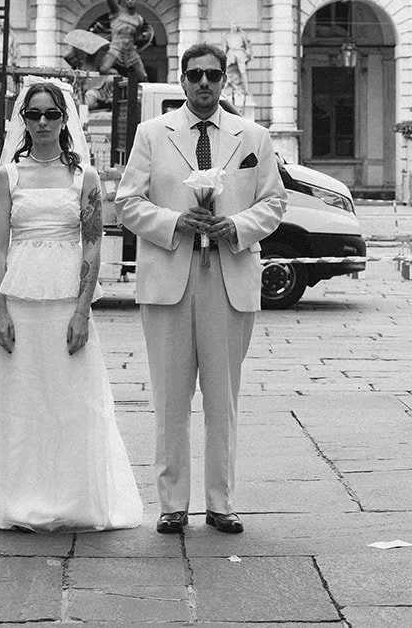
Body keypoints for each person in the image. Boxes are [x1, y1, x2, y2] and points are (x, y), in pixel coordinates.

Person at [117, 43, 287, 536]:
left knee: (222, 399)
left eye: (213, 75)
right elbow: (127, 202)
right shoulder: (153, 133)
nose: (205, 83)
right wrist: (174, 220)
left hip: (229, 276)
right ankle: (172, 504)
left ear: (224, 80)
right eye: (195, 75)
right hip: (170, 275)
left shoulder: (253, 136)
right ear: (183, 80)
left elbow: (274, 202)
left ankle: (221, 502)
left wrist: (237, 226)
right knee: (170, 400)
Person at [0, 80, 142, 532]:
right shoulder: (8, 176)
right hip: (21, 302)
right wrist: (0, 310)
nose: (43, 122)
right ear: (22, 120)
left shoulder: (84, 178)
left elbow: (91, 246)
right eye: (34, 115)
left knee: (72, 401)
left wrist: (83, 310)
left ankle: (73, 498)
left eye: (51, 114)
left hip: (68, 300)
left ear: (65, 119)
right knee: (20, 402)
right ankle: (16, 496)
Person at [101, 0, 149, 86]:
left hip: (130, 50)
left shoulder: (139, 19)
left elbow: (135, 37)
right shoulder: (117, 11)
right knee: (104, 69)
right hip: (116, 47)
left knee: (143, 76)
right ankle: (121, 78)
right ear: (124, 0)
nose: (130, 1)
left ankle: (144, 94)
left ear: (137, 1)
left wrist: (143, 37)